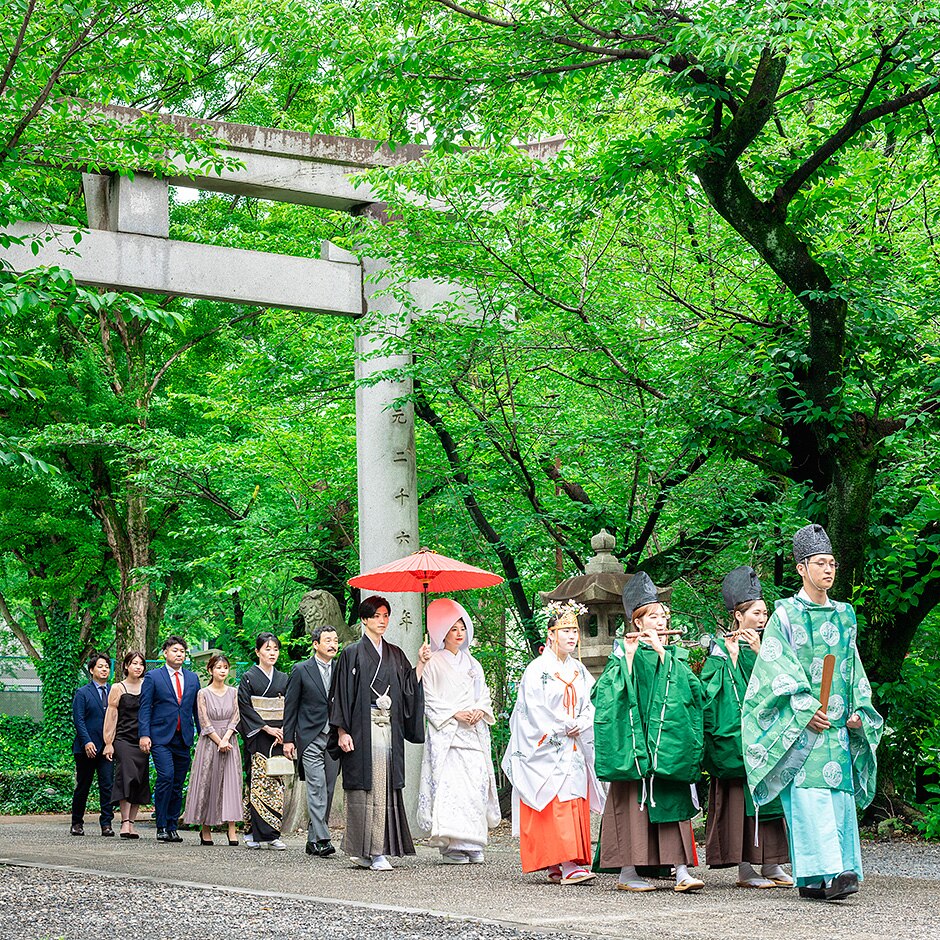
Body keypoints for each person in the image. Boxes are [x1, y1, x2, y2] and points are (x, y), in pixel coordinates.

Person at [741, 524, 884, 901]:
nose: (829, 570)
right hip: (802, 726)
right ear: (802, 568)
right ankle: (826, 874)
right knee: (810, 797)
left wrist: (857, 710)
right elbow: (775, 667)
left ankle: (828, 875)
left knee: (836, 796)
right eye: (820, 563)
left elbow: (853, 666)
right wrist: (805, 708)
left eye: (832, 564)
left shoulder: (845, 614)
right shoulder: (785, 614)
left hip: (836, 723)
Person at [592, 572, 704, 892]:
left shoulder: (675, 655)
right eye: (653, 616)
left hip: (665, 745)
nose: (660, 621)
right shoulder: (624, 653)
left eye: (664, 616)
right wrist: (627, 661)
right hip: (635, 746)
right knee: (632, 803)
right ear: (638, 623)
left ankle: (681, 870)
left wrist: (663, 655)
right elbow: (604, 697)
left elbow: (694, 693)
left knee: (671, 797)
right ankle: (628, 871)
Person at [502, 600, 606, 886]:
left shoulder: (580, 670)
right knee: (556, 798)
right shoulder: (536, 670)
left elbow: (591, 705)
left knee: (572, 799)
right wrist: (562, 726)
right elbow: (531, 712)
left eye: (574, 630)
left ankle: (564, 863)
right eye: (565, 631)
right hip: (550, 744)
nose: (572, 636)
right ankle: (565, 862)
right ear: (551, 634)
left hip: (574, 743)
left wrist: (582, 723)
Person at [701, 567, 792, 888]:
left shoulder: (769, 646)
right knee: (741, 804)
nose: (763, 617)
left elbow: (782, 682)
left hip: (768, 737)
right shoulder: (720, 649)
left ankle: (772, 863)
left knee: (770, 801)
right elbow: (711, 695)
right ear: (739, 616)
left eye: (765, 612)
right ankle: (744, 869)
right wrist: (734, 660)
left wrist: (758, 652)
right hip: (737, 738)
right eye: (757, 612)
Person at [329, 594, 430, 871]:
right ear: (364, 620)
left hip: (388, 727)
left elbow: (409, 685)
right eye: (376, 616)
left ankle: (375, 849)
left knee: (384, 784)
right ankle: (370, 851)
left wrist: (420, 662)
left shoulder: (395, 653)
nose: (382, 621)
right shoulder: (351, 653)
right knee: (366, 787)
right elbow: (340, 695)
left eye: (385, 615)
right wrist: (341, 731)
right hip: (361, 729)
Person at [416, 598, 501, 864]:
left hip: (472, 733)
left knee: (474, 787)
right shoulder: (433, 662)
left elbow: (484, 695)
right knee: (451, 789)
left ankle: (474, 841)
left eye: (462, 627)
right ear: (442, 632)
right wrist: (454, 713)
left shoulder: (473, 664)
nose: (459, 633)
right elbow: (428, 697)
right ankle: (452, 845)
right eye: (453, 628)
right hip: (449, 735)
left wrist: (479, 709)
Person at [284, 626, 341, 858]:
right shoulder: (300, 670)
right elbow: (291, 707)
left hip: (334, 738)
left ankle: (312, 839)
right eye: (327, 640)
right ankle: (323, 838)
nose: (333, 644)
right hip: (310, 737)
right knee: (316, 787)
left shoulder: (340, 669)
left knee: (327, 788)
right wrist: (288, 740)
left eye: (335, 640)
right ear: (315, 644)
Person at [138, 635, 201, 843]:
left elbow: (196, 710)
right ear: (165, 653)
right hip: (160, 737)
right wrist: (144, 734)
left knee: (178, 782)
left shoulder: (192, 679)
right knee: (166, 776)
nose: (179, 654)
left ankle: (173, 826)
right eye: (175, 650)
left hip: (183, 737)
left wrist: (202, 735)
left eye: (182, 651)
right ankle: (161, 825)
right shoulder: (153, 677)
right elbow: (145, 707)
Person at [183, 653, 243, 845]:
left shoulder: (234, 692)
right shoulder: (203, 693)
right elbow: (204, 721)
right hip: (210, 743)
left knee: (231, 783)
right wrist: (219, 741)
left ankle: (232, 829)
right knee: (208, 782)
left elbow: (236, 717)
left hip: (229, 740)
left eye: (225, 667)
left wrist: (226, 738)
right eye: (218, 667)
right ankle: (205, 828)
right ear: (210, 670)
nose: (222, 671)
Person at [238, 632, 289, 850]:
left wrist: (284, 729)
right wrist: (266, 727)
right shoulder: (248, 677)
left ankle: (273, 833)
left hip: (279, 735)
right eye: (267, 649)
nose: (272, 653)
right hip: (258, 735)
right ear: (258, 652)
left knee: (276, 784)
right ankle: (253, 832)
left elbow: (291, 705)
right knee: (257, 783)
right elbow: (245, 707)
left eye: (275, 649)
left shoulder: (284, 678)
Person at [102, 650, 151, 839]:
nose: (138, 667)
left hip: (142, 740)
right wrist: (108, 742)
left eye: (141, 664)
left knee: (139, 779)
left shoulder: (147, 686)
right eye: (134, 663)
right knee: (126, 776)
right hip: (123, 739)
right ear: (126, 666)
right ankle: (124, 822)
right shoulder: (118, 688)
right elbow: (111, 715)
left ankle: (132, 822)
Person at [70, 652, 117, 837]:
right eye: (100, 666)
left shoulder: (114, 691)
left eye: (106, 666)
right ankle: (77, 822)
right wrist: (87, 742)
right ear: (91, 670)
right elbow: (79, 720)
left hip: (107, 748)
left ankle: (106, 823)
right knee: (83, 785)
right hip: (85, 749)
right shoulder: (82, 693)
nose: (104, 669)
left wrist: (111, 743)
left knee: (107, 785)